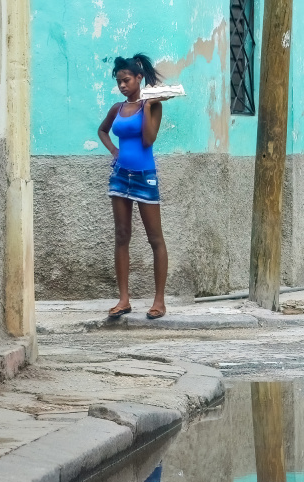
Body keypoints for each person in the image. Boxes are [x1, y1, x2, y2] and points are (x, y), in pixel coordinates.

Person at [97, 54, 169, 321]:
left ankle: (159, 301)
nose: (122, 86)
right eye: (118, 82)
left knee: (155, 238)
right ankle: (124, 299)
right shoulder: (117, 109)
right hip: (119, 177)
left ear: (139, 78)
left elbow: (148, 140)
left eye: (126, 80)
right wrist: (114, 150)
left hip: (144, 176)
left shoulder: (153, 106)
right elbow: (102, 131)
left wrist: (148, 106)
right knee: (122, 235)